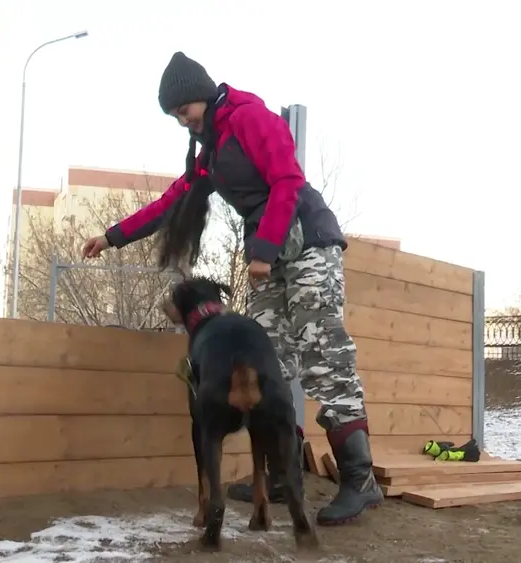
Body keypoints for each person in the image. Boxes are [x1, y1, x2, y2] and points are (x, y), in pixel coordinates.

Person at [81, 52, 383, 526]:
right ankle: (284, 477)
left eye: (185, 110)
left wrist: (262, 249)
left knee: (324, 356)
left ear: (201, 94)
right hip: (269, 254)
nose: (183, 121)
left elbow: (287, 180)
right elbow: (172, 200)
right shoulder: (212, 151)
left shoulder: (249, 117)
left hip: (307, 244)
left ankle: (360, 480)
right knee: (269, 364)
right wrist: (112, 235)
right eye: (176, 116)